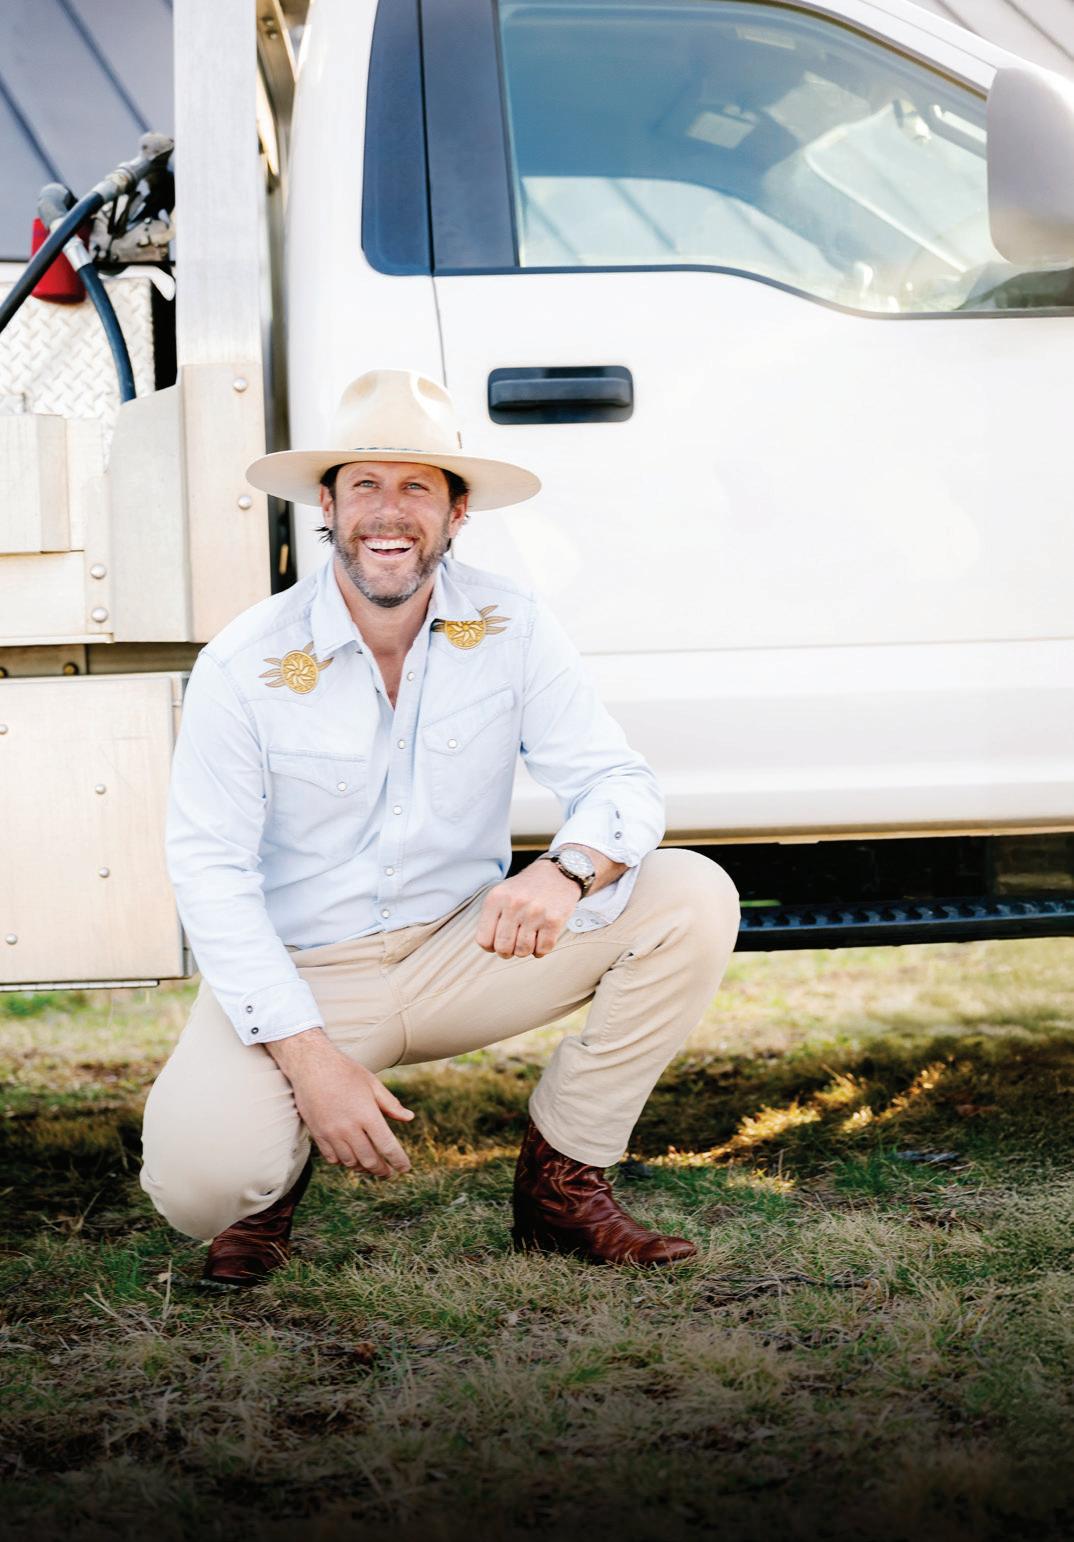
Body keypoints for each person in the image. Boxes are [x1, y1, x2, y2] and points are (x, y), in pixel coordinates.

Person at [139, 369, 740, 1286]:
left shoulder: (512, 626)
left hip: (466, 950)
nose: (390, 511)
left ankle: (562, 1187)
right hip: (309, 972)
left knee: (692, 894)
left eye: (417, 486)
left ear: (457, 512)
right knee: (200, 1189)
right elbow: (209, 873)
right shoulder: (245, 662)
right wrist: (309, 1062)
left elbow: (618, 782)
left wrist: (567, 870)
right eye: (365, 485)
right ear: (328, 508)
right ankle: (266, 1192)